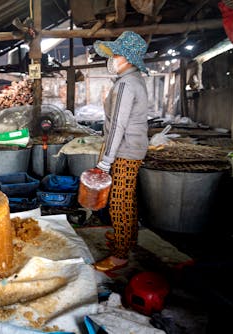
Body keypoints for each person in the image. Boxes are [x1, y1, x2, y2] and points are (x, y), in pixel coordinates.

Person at [91, 31, 149, 272]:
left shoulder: (126, 84)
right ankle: (128, 239)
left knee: (119, 202)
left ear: (127, 58)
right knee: (128, 198)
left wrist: (105, 161)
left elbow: (118, 126)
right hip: (130, 149)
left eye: (115, 54)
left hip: (125, 151)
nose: (112, 59)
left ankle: (119, 256)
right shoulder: (131, 80)